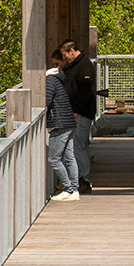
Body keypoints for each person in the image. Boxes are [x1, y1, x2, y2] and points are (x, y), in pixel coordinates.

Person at [59, 37, 98, 192]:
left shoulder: (84, 66)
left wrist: (77, 109)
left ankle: (84, 179)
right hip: (78, 112)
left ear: (72, 51)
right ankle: (81, 177)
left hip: (82, 113)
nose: (64, 58)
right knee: (79, 145)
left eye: (64, 55)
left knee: (78, 145)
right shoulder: (76, 65)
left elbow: (86, 90)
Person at [45, 50, 80, 199]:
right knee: (69, 158)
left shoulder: (50, 80)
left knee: (53, 159)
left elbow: (46, 100)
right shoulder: (61, 79)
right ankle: (74, 190)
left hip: (59, 123)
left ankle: (68, 189)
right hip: (69, 122)